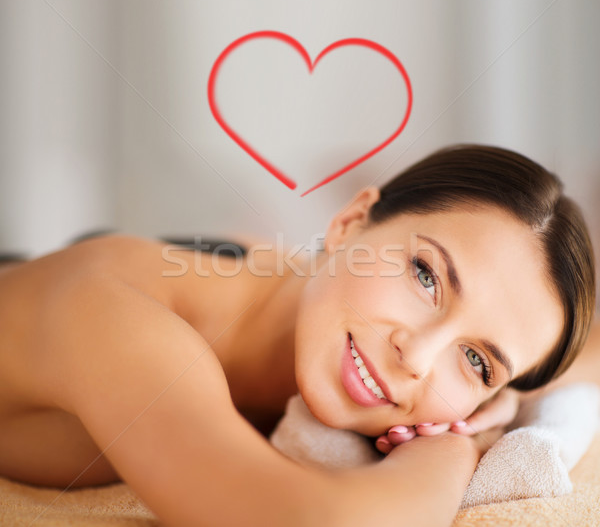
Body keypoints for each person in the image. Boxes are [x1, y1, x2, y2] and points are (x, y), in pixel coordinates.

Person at [0, 144, 595, 527]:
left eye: (476, 360)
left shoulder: (310, 292)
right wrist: (450, 448)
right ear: (346, 223)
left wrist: (496, 396)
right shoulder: (122, 321)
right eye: (425, 276)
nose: (416, 356)